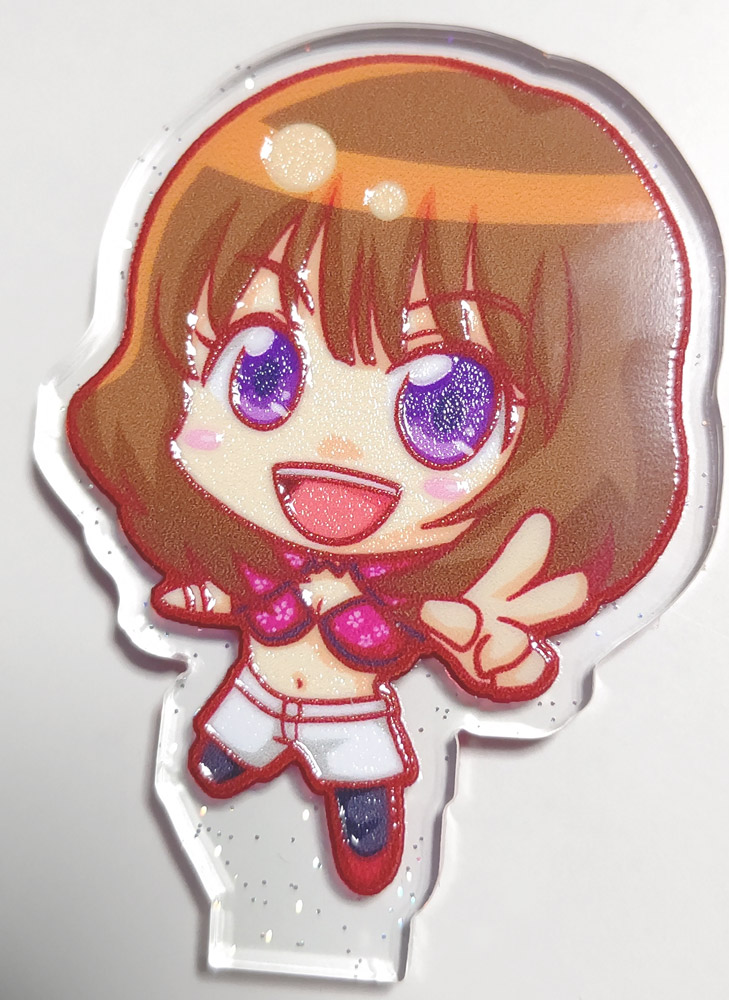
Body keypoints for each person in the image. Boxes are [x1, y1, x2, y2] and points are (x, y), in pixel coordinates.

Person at [67, 56, 688, 894]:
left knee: (356, 754)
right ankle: (232, 752)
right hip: (254, 678)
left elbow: (484, 649)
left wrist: (491, 649)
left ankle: (359, 801)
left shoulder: (424, 604)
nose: (334, 446)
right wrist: (205, 589)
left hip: (355, 701)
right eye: (262, 369)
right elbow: (218, 592)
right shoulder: (256, 562)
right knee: (238, 727)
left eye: (443, 406)